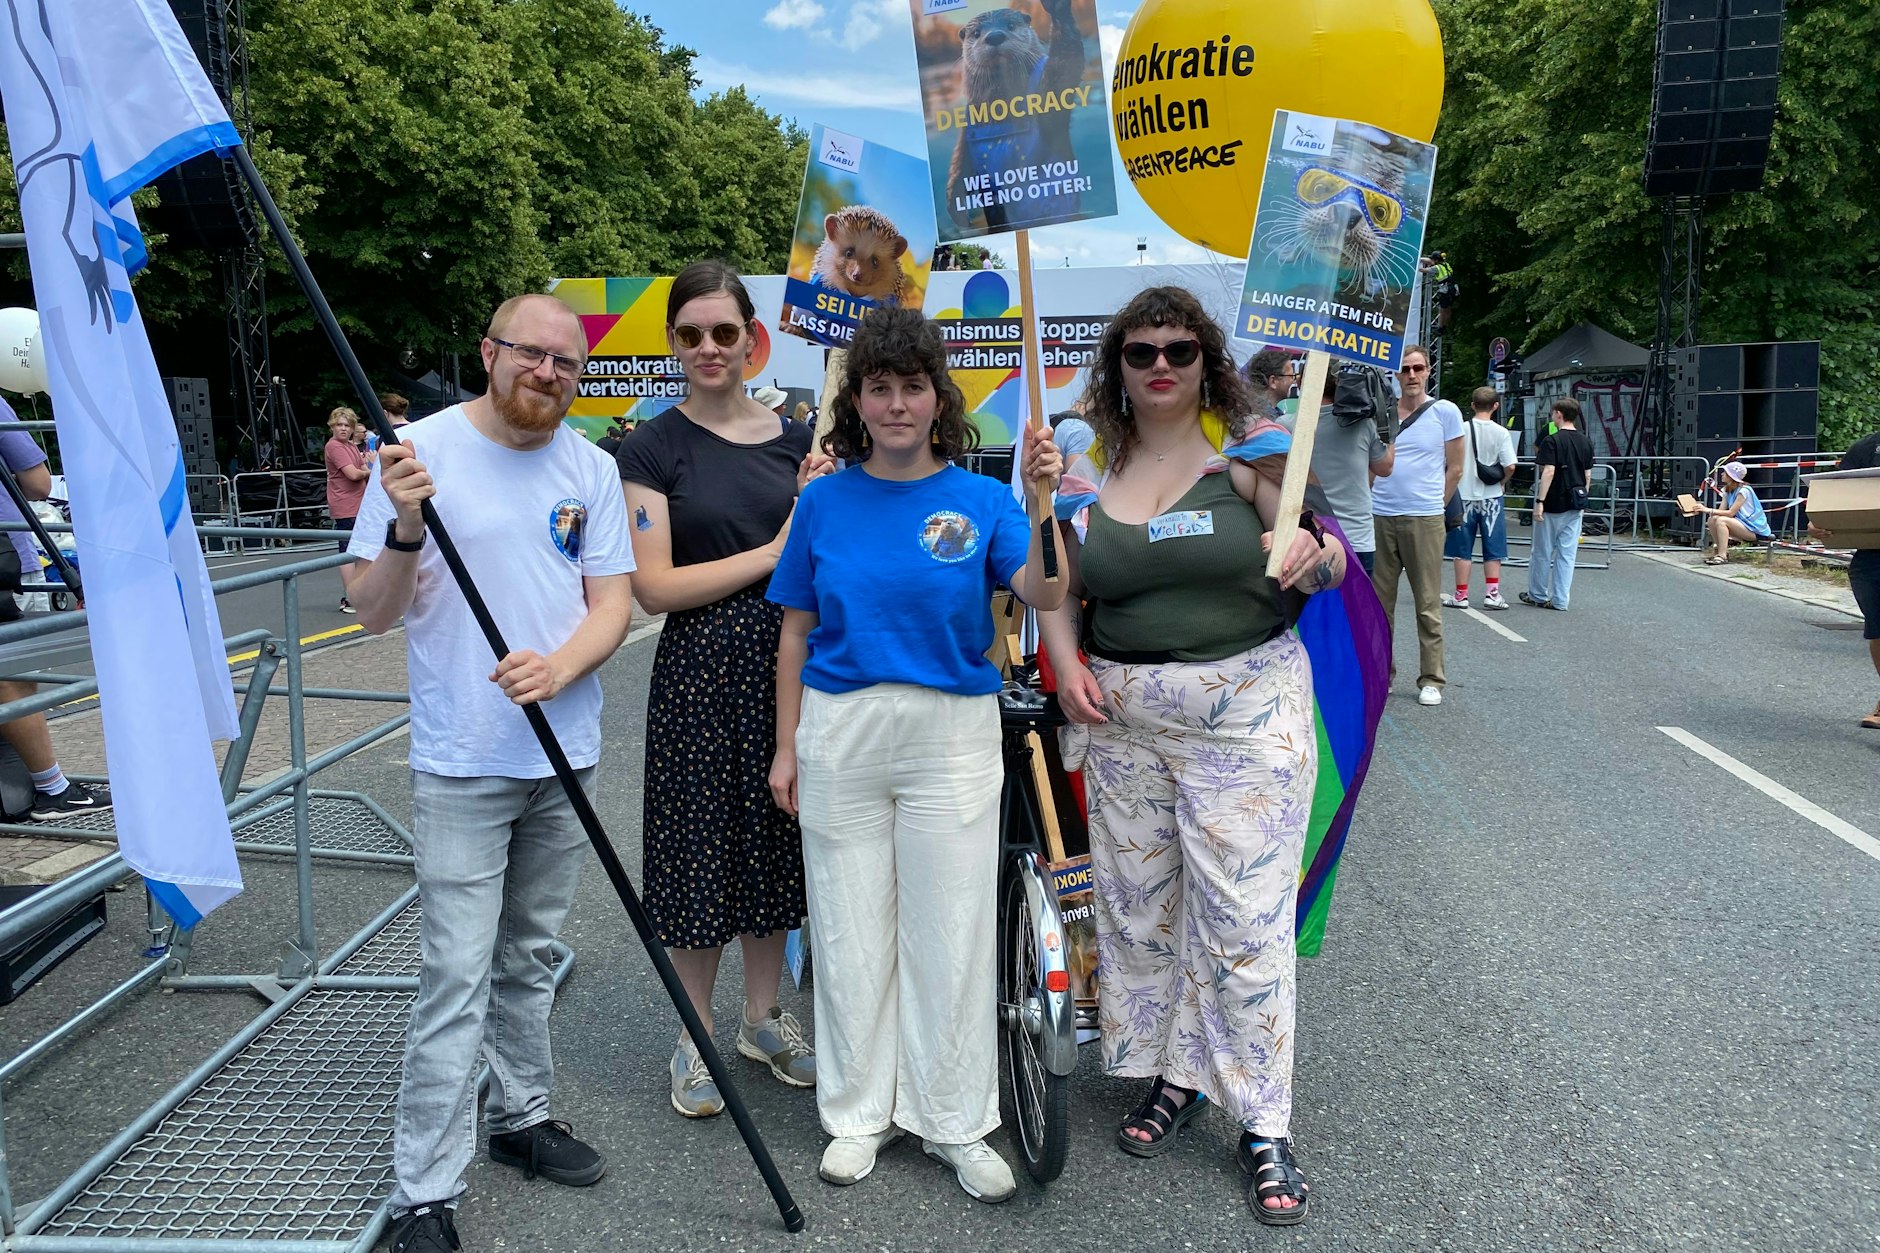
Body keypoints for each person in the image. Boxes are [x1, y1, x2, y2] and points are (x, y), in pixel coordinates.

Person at [1040, 286, 1345, 1228]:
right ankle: (1177, 1075)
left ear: (1205, 357)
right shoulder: (1084, 463)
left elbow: (1330, 555)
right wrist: (1060, 658)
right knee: (1144, 914)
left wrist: (1310, 550)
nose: (1160, 364)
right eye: (1140, 351)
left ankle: (1263, 1118)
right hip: (1127, 725)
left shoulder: (1252, 452)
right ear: (1117, 366)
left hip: (1246, 717)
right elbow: (1054, 587)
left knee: (1243, 920)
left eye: (1177, 348)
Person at [347, 293, 636, 1253]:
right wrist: (402, 527)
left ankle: (520, 1116)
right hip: (464, 759)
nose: (549, 374)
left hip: (563, 753)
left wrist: (559, 667)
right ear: (490, 351)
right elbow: (371, 612)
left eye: (568, 364)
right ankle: (424, 1189)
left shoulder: (591, 468)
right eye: (532, 355)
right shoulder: (415, 456)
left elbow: (611, 606)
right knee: (455, 975)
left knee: (531, 956)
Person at [766, 306, 1064, 1203]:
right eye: (880, 387)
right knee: (850, 928)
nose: (897, 403)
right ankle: (858, 1112)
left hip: (950, 731)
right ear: (858, 400)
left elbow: (1045, 590)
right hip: (840, 725)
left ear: (940, 397)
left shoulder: (984, 500)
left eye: (913, 386)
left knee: (951, 928)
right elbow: (794, 630)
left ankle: (955, 1118)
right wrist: (786, 747)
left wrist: (1045, 502)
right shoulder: (821, 499)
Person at [618, 261, 828, 1119]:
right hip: (700, 668)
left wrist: (824, 505)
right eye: (692, 334)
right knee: (696, 849)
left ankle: (762, 1016)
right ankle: (694, 1033)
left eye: (725, 333)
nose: (709, 348)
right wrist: (777, 550)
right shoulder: (652, 445)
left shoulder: (798, 442)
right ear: (673, 344)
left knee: (777, 845)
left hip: (790, 662)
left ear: (754, 339)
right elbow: (655, 587)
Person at [0, 399, 102, 819]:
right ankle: (52, 788)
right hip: (7, 558)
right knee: (14, 677)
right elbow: (39, 484)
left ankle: (18, 794)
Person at [1370, 345, 1463, 705]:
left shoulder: (1445, 411)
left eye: (1418, 368)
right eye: (1405, 369)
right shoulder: (1384, 413)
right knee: (1379, 606)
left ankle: (1432, 679)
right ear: (1396, 374)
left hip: (1424, 517)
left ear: (1428, 371)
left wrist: (1434, 506)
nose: (1411, 375)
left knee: (1427, 603)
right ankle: (1382, 673)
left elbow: (1455, 467)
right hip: (1381, 514)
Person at [1278, 353, 1394, 575]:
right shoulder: (1362, 425)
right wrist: (1389, 427)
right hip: (1356, 537)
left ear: (1302, 382)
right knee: (1353, 609)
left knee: (1308, 609)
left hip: (1305, 537)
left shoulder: (1285, 426)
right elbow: (1385, 468)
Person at [1810, 429, 1880, 728]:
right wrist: (1817, 522)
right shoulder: (1868, 447)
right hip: (1873, 555)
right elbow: (1835, 495)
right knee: (1878, 631)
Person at [1442, 387, 1518, 609]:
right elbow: (1510, 466)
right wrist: (1501, 482)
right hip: (1491, 497)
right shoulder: (1501, 432)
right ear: (1496, 406)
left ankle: (1460, 595)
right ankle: (1492, 594)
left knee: (1462, 549)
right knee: (1493, 547)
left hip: (1463, 496)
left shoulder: (1461, 430)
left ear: (1472, 405)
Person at [1518, 398, 1596, 610]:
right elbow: (1588, 475)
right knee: (1567, 554)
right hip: (1576, 502)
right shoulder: (1585, 441)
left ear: (1559, 414)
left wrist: (1540, 501)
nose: (1552, 416)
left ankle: (1538, 594)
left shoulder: (1551, 441)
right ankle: (1561, 599)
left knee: (1542, 552)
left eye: (1553, 413)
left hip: (1553, 502)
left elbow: (1549, 471)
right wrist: (1583, 499)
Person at [323, 407, 372, 614]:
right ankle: (351, 598)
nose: (343, 429)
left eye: (347, 425)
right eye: (339, 425)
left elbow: (362, 468)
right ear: (332, 426)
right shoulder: (335, 447)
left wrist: (365, 469)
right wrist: (369, 469)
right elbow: (354, 473)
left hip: (358, 502)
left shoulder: (349, 446)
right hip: (345, 504)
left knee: (362, 550)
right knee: (348, 551)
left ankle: (361, 595)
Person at [1694, 459, 1774, 566]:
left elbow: (1731, 513)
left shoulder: (1744, 491)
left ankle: (1722, 555)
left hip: (1756, 530)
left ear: (1731, 476)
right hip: (1744, 526)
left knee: (1721, 521)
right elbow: (1721, 511)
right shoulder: (1727, 490)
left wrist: (1707, 509)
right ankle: (1719, 552)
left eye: (1725, 472)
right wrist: (1702, 510)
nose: (1722, 474)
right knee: (1712, 519)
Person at [1244, 347, 1299, 420]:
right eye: (1291, 376)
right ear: (1273, 381)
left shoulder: (1248, 406)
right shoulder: (1266, 418)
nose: (1294, 381)